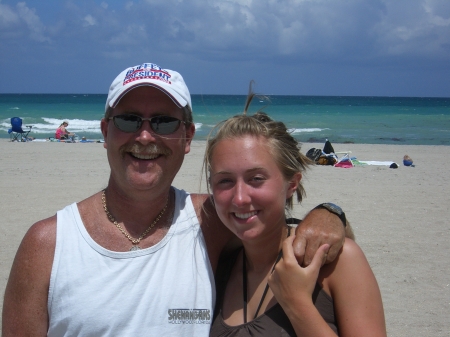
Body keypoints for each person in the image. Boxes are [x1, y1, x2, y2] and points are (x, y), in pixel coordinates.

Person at [2, 63, 348, 336]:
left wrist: (329, 213)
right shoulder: (48, 243)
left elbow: (278, 226)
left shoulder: (210, 221)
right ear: (106, 132)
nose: (145, 135)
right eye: (129, 119)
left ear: (187, 137)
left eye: (165, 122)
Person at [205, 91, 386, 336]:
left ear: (291, 184)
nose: (239, 197)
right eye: (225, 181)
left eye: (256, 179)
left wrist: (297, 303)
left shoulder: (338, 261)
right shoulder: (218, 264)